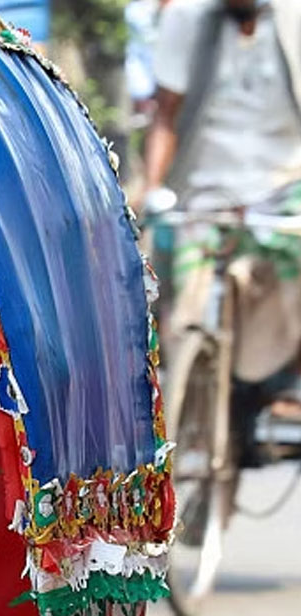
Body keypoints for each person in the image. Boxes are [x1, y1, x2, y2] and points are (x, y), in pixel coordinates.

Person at [144, 0, 301, 418]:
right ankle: (192, 396)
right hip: (205, 190)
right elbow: (166, 115)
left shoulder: (293, 17)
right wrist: (153, 189)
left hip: (285, 186)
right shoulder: (185, 18)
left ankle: (287, 379)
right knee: (183, 303)